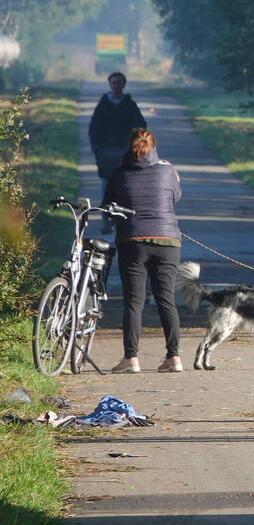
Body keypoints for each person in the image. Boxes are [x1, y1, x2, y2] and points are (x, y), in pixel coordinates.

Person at [102, 128, 184, 374]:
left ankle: (131, 358)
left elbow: (108, 205)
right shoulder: (168, 170)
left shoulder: (119, 172)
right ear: (154, 145)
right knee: (166, 299)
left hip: (133, 240)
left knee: (134, 302)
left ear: (130, 146)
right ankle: (174, 357)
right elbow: (175, 198)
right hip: (168, 240)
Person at [89, 72, 146, 234]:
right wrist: (97, 148)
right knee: (107, 185)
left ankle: (123, 219)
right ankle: (105, 219)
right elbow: (93, 129)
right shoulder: (103, 105)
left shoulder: (130, 105)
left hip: (125, 152)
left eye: (119, 82)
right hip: (105, 153)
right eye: (113, 82)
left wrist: (136, 147)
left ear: (124, 85)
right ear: (109, 84)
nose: (116, 85)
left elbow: (141, 127)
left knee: (126, 185)